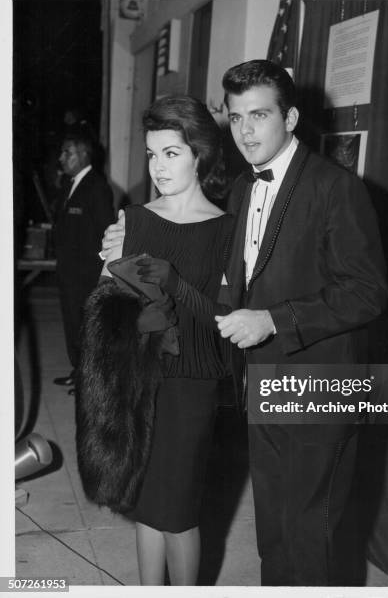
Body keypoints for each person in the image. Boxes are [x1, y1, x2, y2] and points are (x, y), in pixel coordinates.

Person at [102, 60, 388, 586]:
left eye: (259, 115)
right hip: (262, 382)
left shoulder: (335, 187)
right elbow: (217, 295)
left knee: (309, 532)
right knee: (274, 531)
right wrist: (131, 254)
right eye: (236, 118)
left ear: (292, 117)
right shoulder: (239, 192)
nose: (247, 131)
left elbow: (368, 292)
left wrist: (274, 321)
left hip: (320, 384)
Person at [97, 96, 232, 585]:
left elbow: (225, 319)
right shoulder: (134, 218)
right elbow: (107, 306)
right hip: (141, 378)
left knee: (178, 512)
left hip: (193, 381)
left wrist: (176, 284)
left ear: (199, 154)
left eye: (171, 153)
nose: (158, 166)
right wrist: (110, 269)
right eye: (152, 155)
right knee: (146, 504)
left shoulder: (226, 231)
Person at [53, 130, 114, 391]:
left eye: (67, 152)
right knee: (72, 325)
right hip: (69, 272)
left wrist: (96, 269)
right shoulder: (70, 184)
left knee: (86, 329)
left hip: (85, 274)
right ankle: (79, 372)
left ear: (83, 155)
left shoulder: (96, 186)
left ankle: (90, 380)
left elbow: (106, 230)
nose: (61, 157)